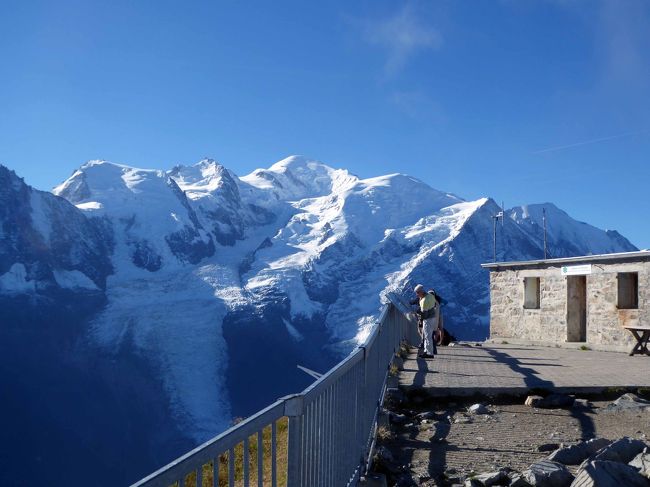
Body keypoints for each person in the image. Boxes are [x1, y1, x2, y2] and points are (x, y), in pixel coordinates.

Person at [412, 284, 438, 358]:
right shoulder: (431, 296)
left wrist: (418, 314)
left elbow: (425, 314)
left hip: (428, 319)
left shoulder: (424, 301)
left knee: (427, 336)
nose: (417, 295)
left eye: (417, 293)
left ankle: (430, 353)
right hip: (433, 317)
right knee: (427, 336)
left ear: (420, 292)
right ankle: (426, 351)